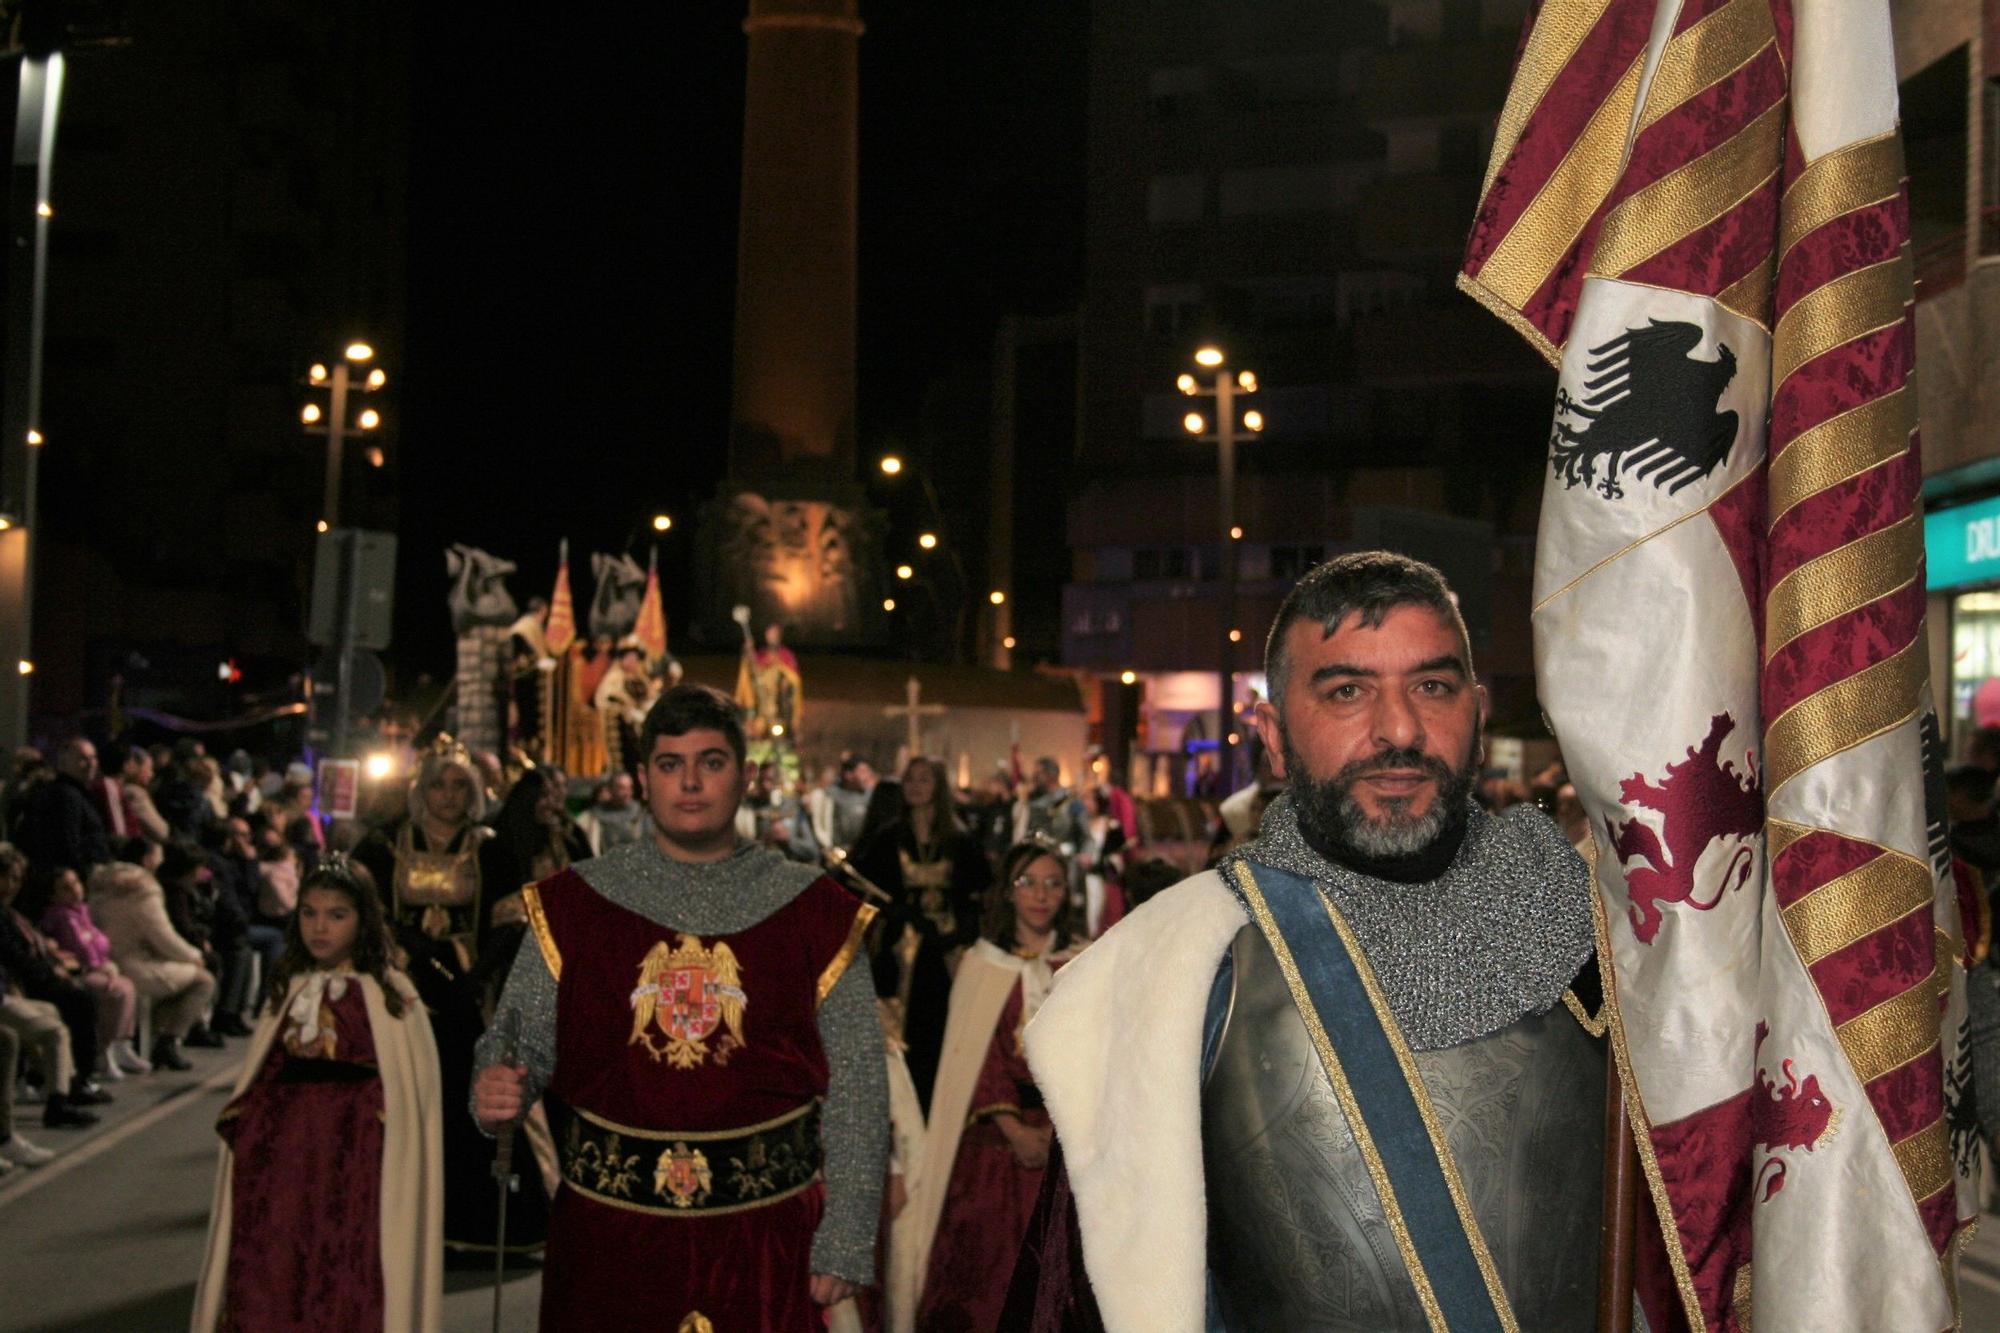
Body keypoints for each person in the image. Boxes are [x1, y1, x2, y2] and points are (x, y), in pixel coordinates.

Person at [1010, 552, 1603, 1330]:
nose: (1399, 729)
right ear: (1274, 736)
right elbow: (1080, 1300)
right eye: (1347, 691)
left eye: (1433, 685)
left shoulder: (1598, 929)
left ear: (1478, 713)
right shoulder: (1174, 965)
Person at [472, 685, 888, 1330]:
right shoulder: (572, 907)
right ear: (643, 779)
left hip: (765, 1241)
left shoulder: (815, 913)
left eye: (711, 762)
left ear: (745, 776)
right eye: (670, 765)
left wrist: (848, 1233)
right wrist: (494, 1086)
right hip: (608, 1243)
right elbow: (516, 1042)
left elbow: (859, 1083)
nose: (690, 783)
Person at [191, 859, 443, 1331]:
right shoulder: (288, 988)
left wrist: (372, 1125)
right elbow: (261, 1076)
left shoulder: (392, 996)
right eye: (308, 913)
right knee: (275, 1265)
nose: (319, 927)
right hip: (283, 1161)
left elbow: (409, 1096)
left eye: (336, 915)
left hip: (357, 1162)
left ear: (363, 920)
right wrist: (250, 1123)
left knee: (348, 1265)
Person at [351, 736, 548, 1262]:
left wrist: (476, 978)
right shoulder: (384, 844)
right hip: (401, 993)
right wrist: (399, 951)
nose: (448, 795)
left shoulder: (491, 849)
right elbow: (355, 905)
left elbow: (512, 923)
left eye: (460, 785)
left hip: (469, 999)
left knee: (469, 1108)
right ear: (421, 789)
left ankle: (475, 1225)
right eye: (438, 784)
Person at [891, 839, 1083, 1333]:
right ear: (1009, 893)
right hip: (996, 1143)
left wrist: (1062, 1130)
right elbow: (975, 1060)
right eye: (1028, 883)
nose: (1041, 896)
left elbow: (1094, 1053)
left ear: (1066, 893)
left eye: (1053, 884)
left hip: (1070, 1138)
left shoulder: (1083, 963)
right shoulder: (982, 966)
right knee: (988, 1276)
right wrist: (1016, 1130)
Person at [853, 755, 991, 1111]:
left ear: (938, 787)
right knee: (906, 1029)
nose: (915, 786)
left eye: (924, 779)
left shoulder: (959, 839)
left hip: (948, 948)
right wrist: (901, 912)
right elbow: (868, 887)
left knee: (946, 1028)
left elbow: (978, 892)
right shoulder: (889, 837)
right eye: (910, 779)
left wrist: (959, 930)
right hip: (902, 949)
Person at [0, 848, 113, 1102]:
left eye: (17, 879)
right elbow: (15, 958)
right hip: (19, 985)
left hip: (27, 980)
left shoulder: (11, 912)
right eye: (7, 878)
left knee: (70, 1004)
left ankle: (70, 1082)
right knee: (68, 1013)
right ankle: (64, 1093)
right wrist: (49, 972)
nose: (11, 886)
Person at [92, 857, 218, 1072]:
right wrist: (194, 955)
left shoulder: (100, 888)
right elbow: (163, 936)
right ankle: (168, 1041)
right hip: (136, 965)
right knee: (203, 981)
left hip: (108, 961)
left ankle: (156, 1035)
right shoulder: (142, 892)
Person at [37, 865, 149, 1078]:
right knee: (116, 991)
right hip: (78, 971)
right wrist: (100, 966)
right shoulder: (58, 917)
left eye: (76, 883)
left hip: (98, 966)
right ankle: (104, 1050)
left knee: (128, 986)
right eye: (65, 888)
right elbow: (80, 948)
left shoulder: (83, 912)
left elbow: (98, 942)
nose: (75, 890)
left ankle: (121, 1044)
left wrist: (107, 964)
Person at [14, 738, 112, 917]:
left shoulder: (75, 794)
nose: (90, 764)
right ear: (64, 763)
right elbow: (68, 844)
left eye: (93, 758)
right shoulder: (66, 796)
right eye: (82, 758)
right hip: (71, 891)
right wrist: (81, 880)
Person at [575, 771, 647, 855]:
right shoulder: (591, 818)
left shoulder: (641, 814)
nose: (627, 793)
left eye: (629, 788)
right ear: (610, 789)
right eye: (621, 788)